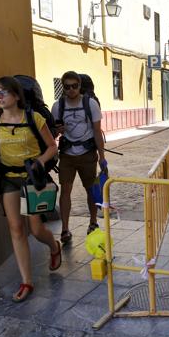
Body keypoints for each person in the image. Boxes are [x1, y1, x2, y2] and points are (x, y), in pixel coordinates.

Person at [0, 76, 61, 303]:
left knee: (35, 229)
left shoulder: (34, 118)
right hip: (9, 179)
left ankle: (54, 246)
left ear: (16, 96)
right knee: (16, 229)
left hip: (32, 178)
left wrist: (39, 162)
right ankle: (27, 281)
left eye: (4, 92)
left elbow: (52, 147)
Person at [52, 71, 106, 243]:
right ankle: (65, 229)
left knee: (90, 189)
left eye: (74, 86)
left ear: (79, 86)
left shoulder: (90, 104)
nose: (71, 90)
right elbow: (53, 132)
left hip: (87, 154)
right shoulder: (57, 106)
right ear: (63, 87)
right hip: (67, 154)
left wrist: (102, 156)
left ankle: (93, 222)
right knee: (65, 191)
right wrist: (57, 131)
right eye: (67, 86)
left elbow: (97, 132)